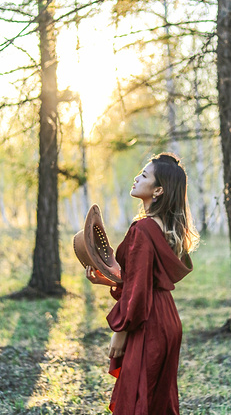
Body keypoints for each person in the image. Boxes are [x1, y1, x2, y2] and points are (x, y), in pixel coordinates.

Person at [86, 152, 199, 415]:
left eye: (145, 175)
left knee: (139, 399)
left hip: (148, 321)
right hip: (167, 318)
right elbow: (143, 279)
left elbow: (139, 292)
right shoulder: (166, 227)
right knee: (158, 399)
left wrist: (121, 330)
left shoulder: (143, 230)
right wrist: (108, 280)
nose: (137, 177)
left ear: (158, 190)